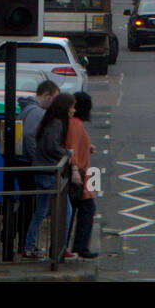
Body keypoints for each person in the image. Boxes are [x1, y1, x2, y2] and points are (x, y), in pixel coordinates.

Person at [25, 92, 77, 262]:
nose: (73, 110)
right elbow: (51, 146)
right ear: (65, 108)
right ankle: (59, 249)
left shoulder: (51, 121)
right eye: (72, 107)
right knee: (66, 210)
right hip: (48, 172)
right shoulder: (57, 124)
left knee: (40, 211)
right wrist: (67, 153)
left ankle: (29, 247)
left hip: (42, 170)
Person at [17, 80, 60, 254]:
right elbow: (28, 136)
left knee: (28, 205)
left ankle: (21, 242)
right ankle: (26, 245)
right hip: (29, 164)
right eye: (54, 98)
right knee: (33, 207)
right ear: (47, 95)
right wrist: (38, 159)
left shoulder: (27, 109)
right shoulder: (37, 112)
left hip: (21, 162)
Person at [64, 90, 99, 259]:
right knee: (86, 209)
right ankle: (78, 247)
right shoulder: (76, 124)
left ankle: (71, 247)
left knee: (75, 210)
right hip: (80, 174)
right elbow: (72, 148)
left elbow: (75, 145)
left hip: (83, 173)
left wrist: (88, 146)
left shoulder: (74, 123)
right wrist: (75, 170)